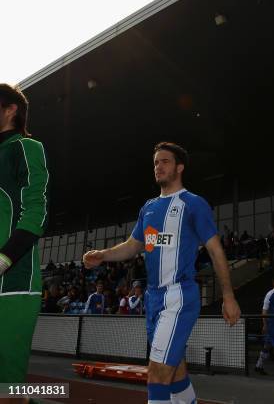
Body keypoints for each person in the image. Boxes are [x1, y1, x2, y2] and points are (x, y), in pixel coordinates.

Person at [83, 142, 241, 404]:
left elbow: (215, 250)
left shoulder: (193, 203)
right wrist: (103, 255)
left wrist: (228, 295)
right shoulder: (149, 207)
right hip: (153, 298)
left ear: (179, 167)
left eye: (165, 161)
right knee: (176, 371)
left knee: (156, 375)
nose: (158, 166)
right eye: (156, 162)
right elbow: (133, 246)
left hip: (178, 296)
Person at [0, 83, 50, 383]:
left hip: (14, 282)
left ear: (10, 110)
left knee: (7, 382)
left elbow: (36, 211)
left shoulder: (26, 147)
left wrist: (5, 259)